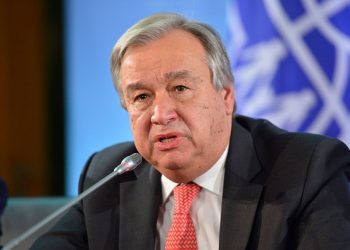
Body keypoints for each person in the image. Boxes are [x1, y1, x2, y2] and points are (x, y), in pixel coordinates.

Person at [31, 13, 350, 250]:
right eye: (141, 97)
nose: (160, 114)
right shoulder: (108, 176)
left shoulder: (307, 170)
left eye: (180, 88)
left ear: (225, 96)